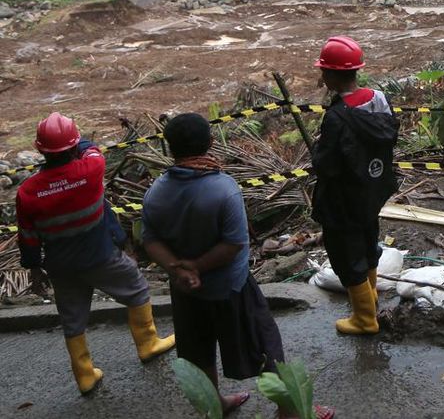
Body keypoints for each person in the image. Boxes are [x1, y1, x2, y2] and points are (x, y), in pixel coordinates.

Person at [141, 113, 333, 419]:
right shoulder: (222, 188)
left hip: (185, 291)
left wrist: (178, 270)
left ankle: (214, 405)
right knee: (265, 344)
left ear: (170, 148)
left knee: (197, 350)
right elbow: (232, 246)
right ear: (210, 143)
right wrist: (196, 266)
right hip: (230, 287)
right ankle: (290, 411)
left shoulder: (156, 191)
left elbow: (149, 239)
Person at [15, 112, 175, 395]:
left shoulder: (28, 192)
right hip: (100, 255)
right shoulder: (91, 169)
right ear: (73, 146)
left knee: (72, 316)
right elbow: (89, 148)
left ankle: (85, 374)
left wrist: (33, 267)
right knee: (137, 290)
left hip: (60, 264)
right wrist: (76, 137)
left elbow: (27, 236)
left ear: (40, 149)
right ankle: (148, 344)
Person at [311, 35, 400, 335]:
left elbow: (326, 165)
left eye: (324, 70)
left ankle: (364, 319)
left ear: (334, 75)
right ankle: (369, 297)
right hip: (373, 190)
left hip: (343, 200)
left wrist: (318, 148)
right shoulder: (379, 99)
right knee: (367, 242)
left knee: (347, 255)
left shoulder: (337, 117)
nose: (321, 76)